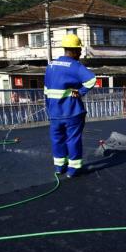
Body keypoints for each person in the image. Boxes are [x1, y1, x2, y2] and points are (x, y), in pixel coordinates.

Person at [44, 34, 96, 178]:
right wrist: (79, 92)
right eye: (79, 50)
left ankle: (60, 167)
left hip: (54, 112)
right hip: (72, 111)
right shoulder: (75, 66)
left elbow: (46, 91)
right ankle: (73, 169)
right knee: (73, 139)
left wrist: (49, 108)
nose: (80, 53)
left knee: (57, 139)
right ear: (73, 50)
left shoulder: (51, 65)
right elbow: (91, 80)